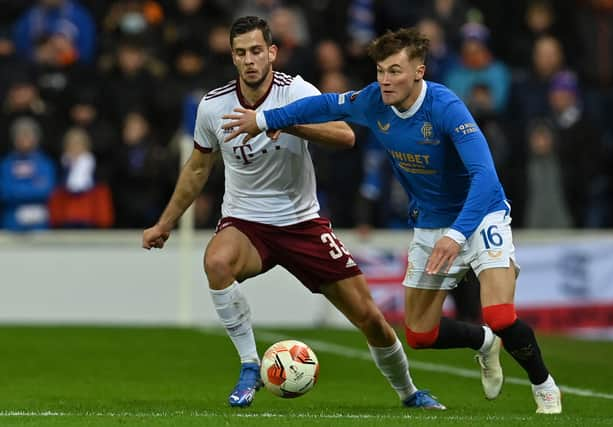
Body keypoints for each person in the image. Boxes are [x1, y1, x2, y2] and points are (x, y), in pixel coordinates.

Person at [222, 27, 562, 414]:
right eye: (381, 70)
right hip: (431, 223)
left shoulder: (446, 107)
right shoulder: (373, 101)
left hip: (480, 215)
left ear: (419, 72)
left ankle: (544, 385)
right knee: (419, 334)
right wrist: (264, 119)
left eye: (395, 71)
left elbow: (485, 178)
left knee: (500, 313)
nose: (385, 80)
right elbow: (325, 106)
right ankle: (484, 342)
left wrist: (456, 235)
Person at [142, 16, 444, 410]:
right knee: (216, 261)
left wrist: (286, 125)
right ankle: (250, 364)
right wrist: (165, 223)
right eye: (240, 53)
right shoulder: (213, 106)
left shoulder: (295, 91)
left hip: (302, 223)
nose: (249, 60)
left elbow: (346, 135)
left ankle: (409, 392)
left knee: (369, 316)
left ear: (272, 53)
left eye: (255, 51)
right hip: (246, 223)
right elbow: (199, 167)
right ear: (232, 57)